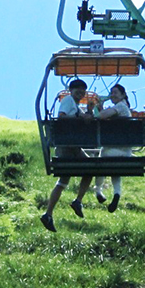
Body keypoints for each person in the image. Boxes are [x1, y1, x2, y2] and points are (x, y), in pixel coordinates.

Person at [40, 79, 94, 232]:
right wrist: (79, 118)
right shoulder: (68, 101)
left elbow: (86, 120)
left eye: (83, 90)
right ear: (71, 91)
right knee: (88, 170)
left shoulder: (75, 106)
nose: (80, 93)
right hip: (67, 146)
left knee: (66, 180)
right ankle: (74, 202)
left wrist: (89, 111)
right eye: (77, 89)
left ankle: (49, 213)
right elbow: (62, 116)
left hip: (72, 146)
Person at [93, 83, 132, 213]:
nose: (112, 95)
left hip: (110, 152)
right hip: (125, 153)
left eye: (115, 92)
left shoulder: (120, 106)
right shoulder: (124, 109)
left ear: (123, 95)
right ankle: (117, 193)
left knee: (102, 157)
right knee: (115, 169)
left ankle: (98, 189)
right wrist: (101, 107)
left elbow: (100, 116)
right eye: (111, 92)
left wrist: (98, 109)